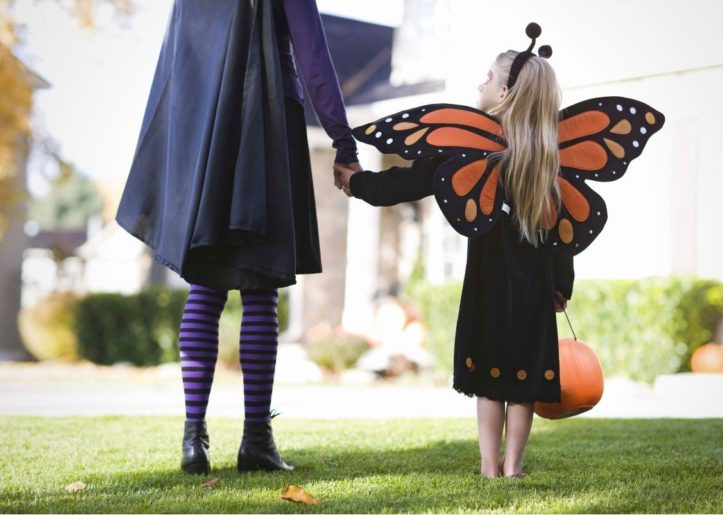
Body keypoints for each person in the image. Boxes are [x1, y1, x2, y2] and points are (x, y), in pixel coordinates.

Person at [116, 0, 361, 474]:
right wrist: (343, 144)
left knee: (205, 289)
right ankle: (255, 440)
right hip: (266, 128)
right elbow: (313, 56)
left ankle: (193, 439)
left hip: (205, 134)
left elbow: (175, 66)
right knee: (259, 291)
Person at [335, 46, 574, 478]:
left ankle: (489, 466)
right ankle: (514, 466)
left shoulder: (469, 146)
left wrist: (359, 184)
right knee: (523, 377)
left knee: (489, 374)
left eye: (486, 78)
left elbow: (410, 180)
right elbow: (562, 235)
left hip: (488, 279)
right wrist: (561, 284)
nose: (478, 85)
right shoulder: (549, 157)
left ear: (504, 92)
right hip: (535, 287)